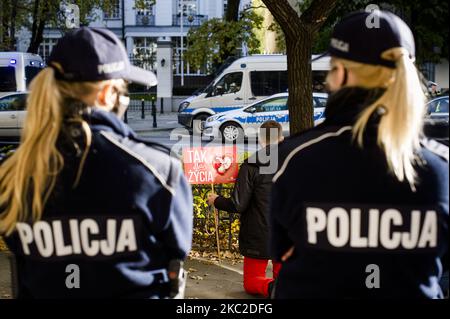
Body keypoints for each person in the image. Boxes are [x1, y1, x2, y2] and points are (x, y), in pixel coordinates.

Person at [0, 27, 193, 298]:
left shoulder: (14, 174)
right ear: (105, 94)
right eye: (123, 90)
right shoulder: (158, 172)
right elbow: (177, 250)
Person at [270, 11, 448, 299]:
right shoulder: (441, 167)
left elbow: (282, 251)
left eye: (331, 69)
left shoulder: (296, 158)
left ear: (343, 73)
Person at [207, 120, 284, 298]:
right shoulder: (296, 161)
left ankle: (273, 289)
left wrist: (216, 200)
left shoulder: (251, 165)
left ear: (261, 140)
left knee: (252, 282)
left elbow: (237, 204)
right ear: (281, 137)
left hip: (258, 234)